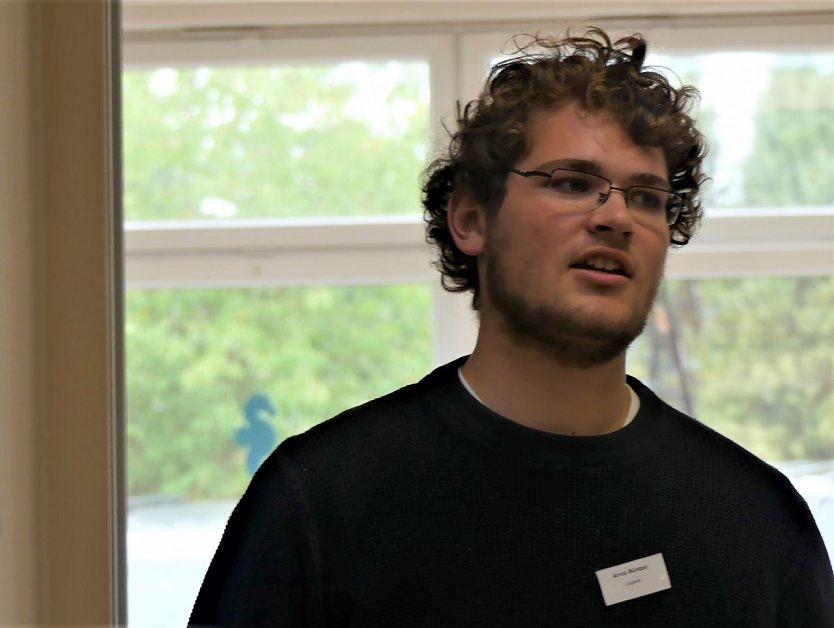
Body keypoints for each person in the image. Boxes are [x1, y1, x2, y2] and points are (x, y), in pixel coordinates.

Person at [190, 28, 834, 626]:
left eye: (646, 197)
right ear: (471, 219)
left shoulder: (756, 521)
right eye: (573, 182)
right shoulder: (321, 506)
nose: (616, 218)